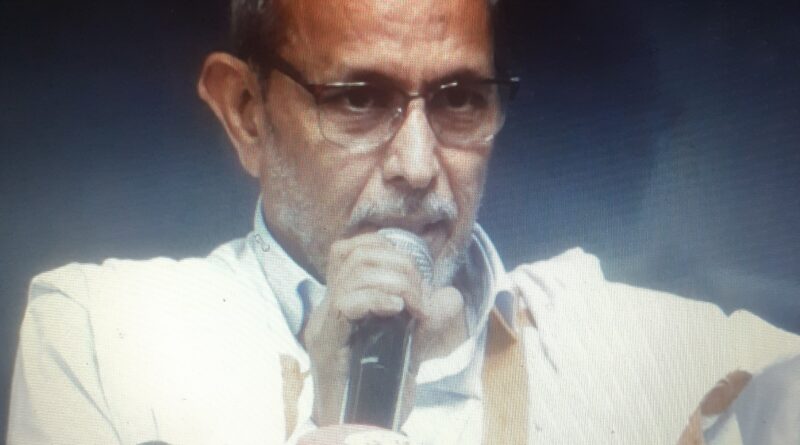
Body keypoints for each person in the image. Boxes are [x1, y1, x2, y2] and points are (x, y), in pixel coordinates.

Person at [7, 0, 800, 444]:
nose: (418, 166)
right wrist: (346, 425)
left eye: (459, 99)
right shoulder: (106, 339)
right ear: (247, 111)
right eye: (358, 98)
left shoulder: (631, 355)